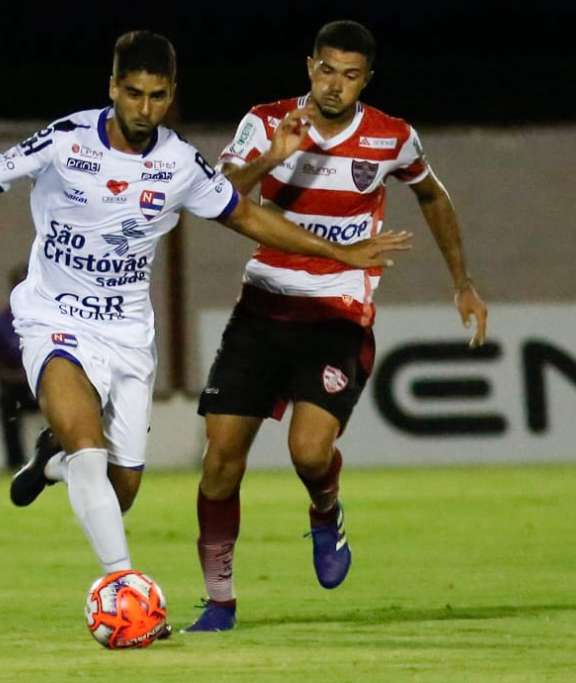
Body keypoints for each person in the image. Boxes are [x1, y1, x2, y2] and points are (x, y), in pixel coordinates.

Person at [0, 31, 410, 584]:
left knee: (120, 491)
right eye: (132, 93)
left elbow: (246, 216)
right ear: (113, 87)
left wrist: (340, 252)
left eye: (156, 96)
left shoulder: (179, 162)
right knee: (89, 448)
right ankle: (124, 587)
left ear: (171, 94)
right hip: (53, 318)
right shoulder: (66, 140)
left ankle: (51, 462)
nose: (143, 108)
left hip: (128, 335)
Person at [185, 20, 489, 632]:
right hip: (263, 305)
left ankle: (326, 510)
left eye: (350, 76)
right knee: (220, 462)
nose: (335, 85)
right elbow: (213, 196)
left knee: (309, 449)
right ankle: (220, 601)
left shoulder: (390, 138)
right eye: (326, 70)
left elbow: (433, 195)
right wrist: (273, 157)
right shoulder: (267, 122)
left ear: (366, 81)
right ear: (309, 67)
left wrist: (461, 280)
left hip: (337, 313)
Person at [0, 263, 38, 471]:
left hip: (50, 384)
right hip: (18, 387)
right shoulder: (4, 321)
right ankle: (15, 463)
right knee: (8, 404)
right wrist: (19, 377)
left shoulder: (55, 316)